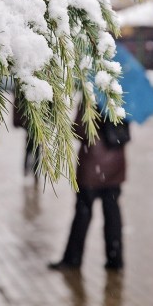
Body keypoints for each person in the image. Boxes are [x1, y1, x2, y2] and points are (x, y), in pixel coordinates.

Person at [48, 105, 128, 271]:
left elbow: (79, 131)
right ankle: (115, 259)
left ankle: (73, 258)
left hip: (92, 168)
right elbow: (123, 134)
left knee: (82, 215)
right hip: (115, 168)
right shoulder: (123, 98)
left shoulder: (90, 97)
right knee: (112, 214)